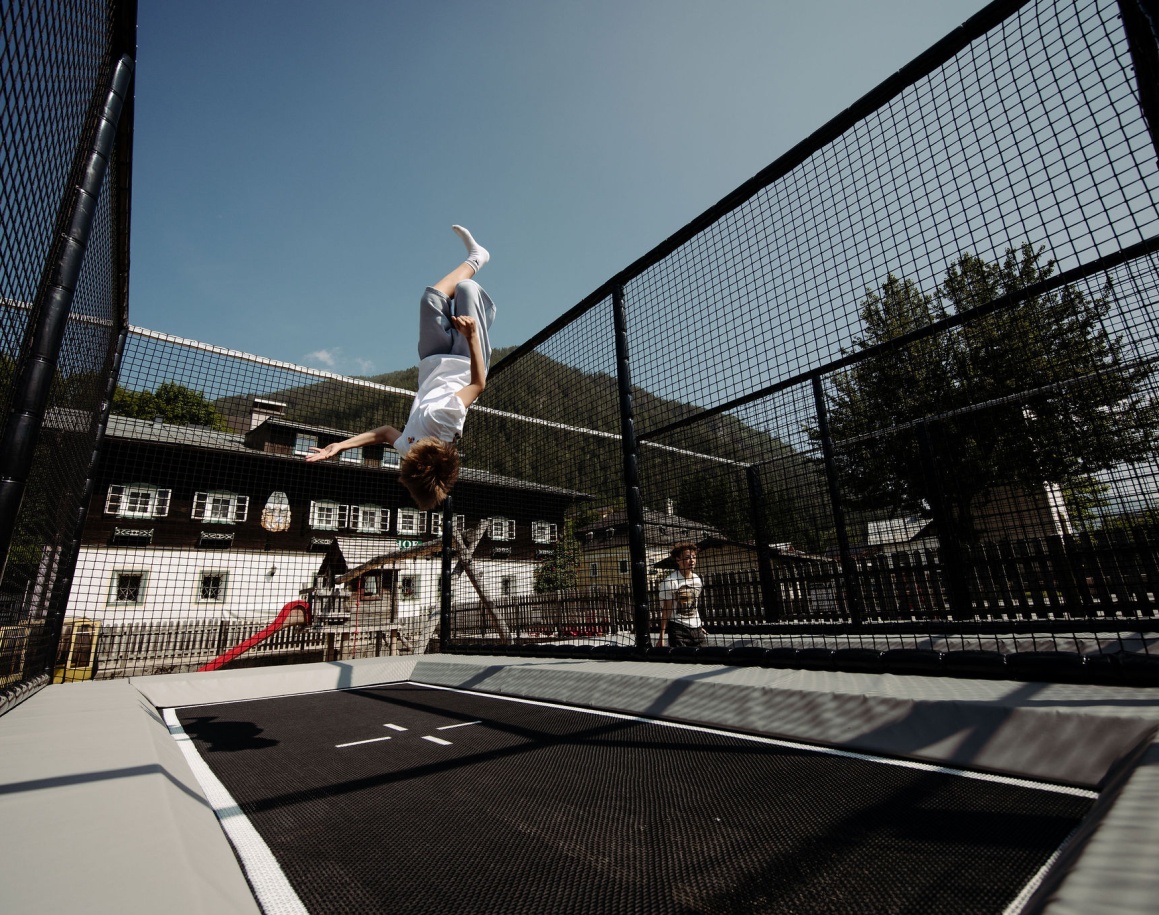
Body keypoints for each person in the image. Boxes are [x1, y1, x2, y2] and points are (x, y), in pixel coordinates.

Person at [305, 225, 494, 510]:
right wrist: (472, 336)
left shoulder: (409, 450)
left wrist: (341, 445)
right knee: (466, 289)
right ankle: (480, 304)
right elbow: (478, 384)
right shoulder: (444, 422)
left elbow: (383, 433)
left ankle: (476, 258)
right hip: (465, 358)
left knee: (430, 297)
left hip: (432, 360)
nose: (407, 450)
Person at [658, 541, 707, 648]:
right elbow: (666, 610)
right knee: (682, 657)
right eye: (687, 558)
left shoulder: (697, 580)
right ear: (678, 560)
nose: (692, 561)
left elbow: (694, 606)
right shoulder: (670, 582)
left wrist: (698, 626)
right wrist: (661, 636)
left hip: (697, 629)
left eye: (694, 557)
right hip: (678, 629)